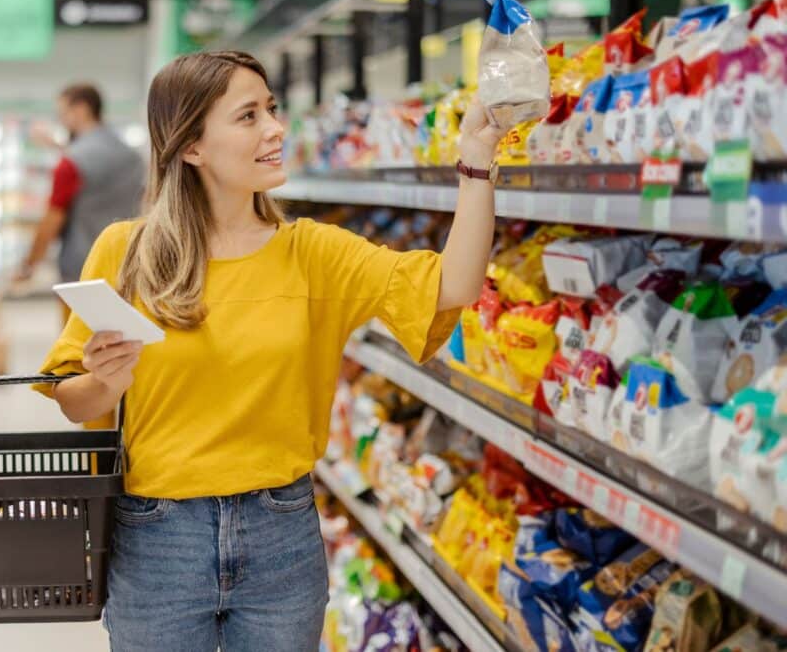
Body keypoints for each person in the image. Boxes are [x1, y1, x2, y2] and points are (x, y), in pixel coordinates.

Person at [36, 51, 503, 650]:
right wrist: (105, 381)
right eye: (249, 116)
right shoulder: (129, 251)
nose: (275, 129)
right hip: (157, 539)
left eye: (273, 110)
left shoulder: (313, 253)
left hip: (281, 537)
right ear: (192, 147)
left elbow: (454, 285)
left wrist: (478, 161)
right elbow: (72, 401)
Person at [14, 83, 145, 296]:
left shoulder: (70, 164)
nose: (61, 120)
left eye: (63, 112)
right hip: (128, 266)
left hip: (81, 271)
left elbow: (52, 219)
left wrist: (29, 264)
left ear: (81, 109)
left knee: (79, 330)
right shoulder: (133, 157)